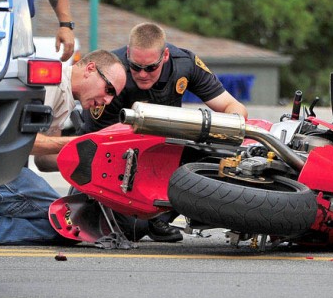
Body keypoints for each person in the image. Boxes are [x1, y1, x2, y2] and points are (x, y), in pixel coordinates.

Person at [80, 22, 248, 242]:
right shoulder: (112, 72)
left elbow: (234, 108)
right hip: (118, 155)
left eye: (150, 68)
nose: (142, 74)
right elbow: (92, 144)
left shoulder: (184, 63)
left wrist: (224, 130)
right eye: (135, 66)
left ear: (165, 56)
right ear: (128, 54)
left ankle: (162, 216)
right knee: (132, 230)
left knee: (213, 155)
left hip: (167, 149)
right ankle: (145, 220)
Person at [0, 50, 126, 244]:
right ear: (90, 69)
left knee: (68, 226)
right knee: (68, 223)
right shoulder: (50, 81)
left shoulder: (65, 97)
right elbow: (19, 141)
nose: (108, 100)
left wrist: (98, 162)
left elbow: (43, 160)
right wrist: (85, 143)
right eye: (109, 89)